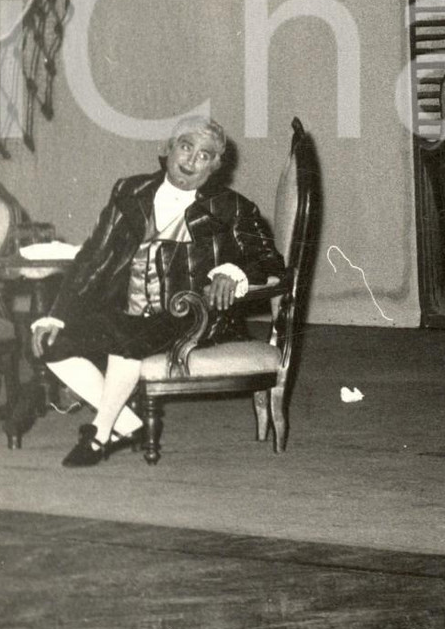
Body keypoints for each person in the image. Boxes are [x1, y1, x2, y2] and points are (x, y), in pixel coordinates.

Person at [31, 115, 285, 467]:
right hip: (126, 310)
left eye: (204, 155)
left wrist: (233, 272)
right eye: (185, 147)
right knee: (50, 343)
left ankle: (99, 434)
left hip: (192, 317)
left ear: (215, 166)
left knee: (126, 340)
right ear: (167, 149)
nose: (191, 160)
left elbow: (270, 261)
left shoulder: (233, 207)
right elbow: (93, 256)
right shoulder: (129, 191)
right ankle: (127, 425)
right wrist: (57, 315)